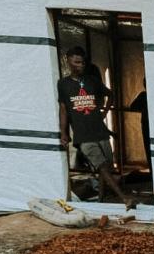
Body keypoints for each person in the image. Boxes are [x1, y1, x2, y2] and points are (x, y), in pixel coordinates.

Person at [58, 47, 136, 210]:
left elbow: (111, 95)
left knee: (106, 167)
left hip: (99, 129)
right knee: (100, 165)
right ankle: (124, 198)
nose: (80, 65)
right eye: (76, 62)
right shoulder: (63, 84)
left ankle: (101, 200)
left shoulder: (92, 81)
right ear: (68, 61)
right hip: (82, 134)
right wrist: (64, 132)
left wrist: (104, 113)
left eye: (82, 62)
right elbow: (63, 109)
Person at [129, 78, 151, 170]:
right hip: (151, 125)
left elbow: (133, 107)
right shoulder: (145, 96)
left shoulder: (143, 96)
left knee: (148, 147)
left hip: (146, 124)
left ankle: (151, 170)